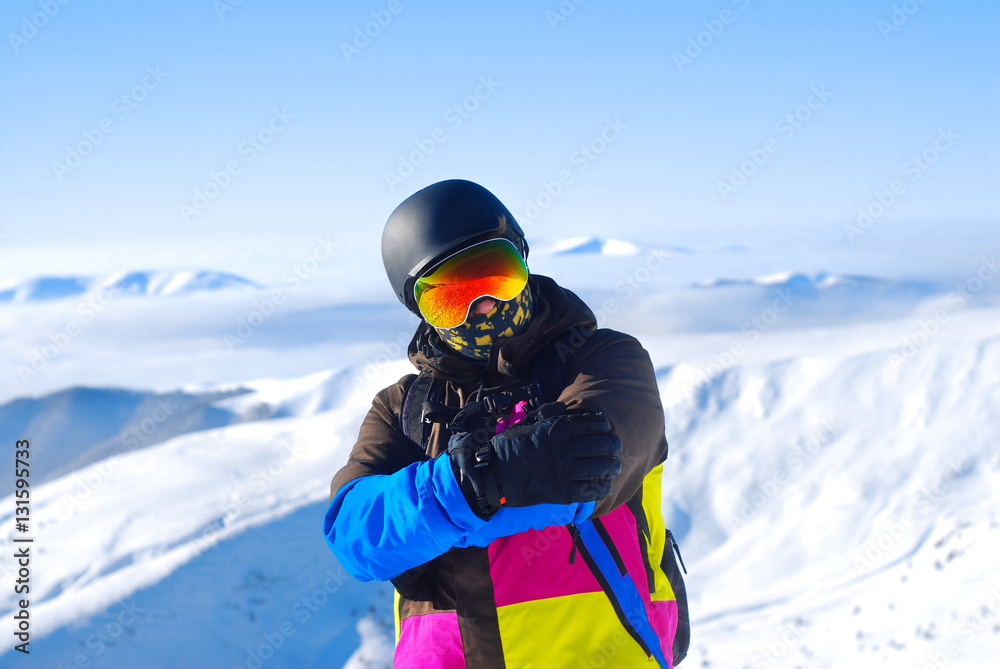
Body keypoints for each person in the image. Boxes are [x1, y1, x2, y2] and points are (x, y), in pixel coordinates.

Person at [323, 179, 689, 668]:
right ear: (421, 314)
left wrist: (440, 509)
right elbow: (355, 537)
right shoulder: (403, 409)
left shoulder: (602, 361)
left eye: (496, 275)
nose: (486, 306)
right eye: (451, 298)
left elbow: (588, 469)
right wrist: (470, 485)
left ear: (524, 259)